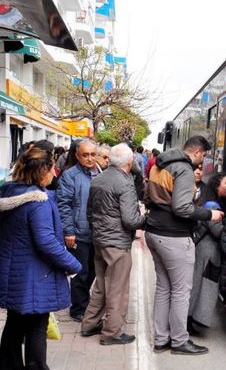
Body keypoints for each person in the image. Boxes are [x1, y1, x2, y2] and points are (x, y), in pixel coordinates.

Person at [0, 147, 82, 370]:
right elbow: (46, 242)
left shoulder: (8, 192)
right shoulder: (38, 203)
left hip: (13, 273)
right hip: (35, 276)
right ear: (41, 172)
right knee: (36, 327)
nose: (55, 174)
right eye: (52, 169)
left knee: (14, 326)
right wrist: (73, 264)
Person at [144, 136, 223, 355]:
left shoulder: (160, 164)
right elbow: (182, 208)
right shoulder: (184, 169)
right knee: (180, 291)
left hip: (154, 231)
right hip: (174, 236)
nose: (203, 161)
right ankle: (179, 341)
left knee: (163, 288)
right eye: (204, 155)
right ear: (197, 152)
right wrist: (210, 214)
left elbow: (147, 197)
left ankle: (161, 339)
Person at [80, 144, 146, 346]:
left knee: (101, 284)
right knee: (118, 288)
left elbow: (89, 212)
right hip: (117, 242)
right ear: (128, 162)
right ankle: (112, 332)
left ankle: (89, 324)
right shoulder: (125, 183)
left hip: (100, 239)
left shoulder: (98, 178)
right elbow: (130, 220)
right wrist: (145, 219)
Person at [56, 138, 100, 322]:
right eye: (85, 155)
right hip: (78, 233)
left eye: (92, 154)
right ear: (77, 155)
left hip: (97, 232)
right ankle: (78, 308)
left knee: (94, 271)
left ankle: (83, 301)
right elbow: (63, 205)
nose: (90, 159)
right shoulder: (69, 175)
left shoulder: (100, 173)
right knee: (80, 273)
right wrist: (69, 231)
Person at [188, 172, 226, 334]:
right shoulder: (212, 205)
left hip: (208, 252)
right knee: (200, 286)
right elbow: (217, 231)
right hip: (206, 252)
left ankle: (192, 320)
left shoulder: (217, 203)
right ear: (217, 186)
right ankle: (189, 322)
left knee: (202, 286)